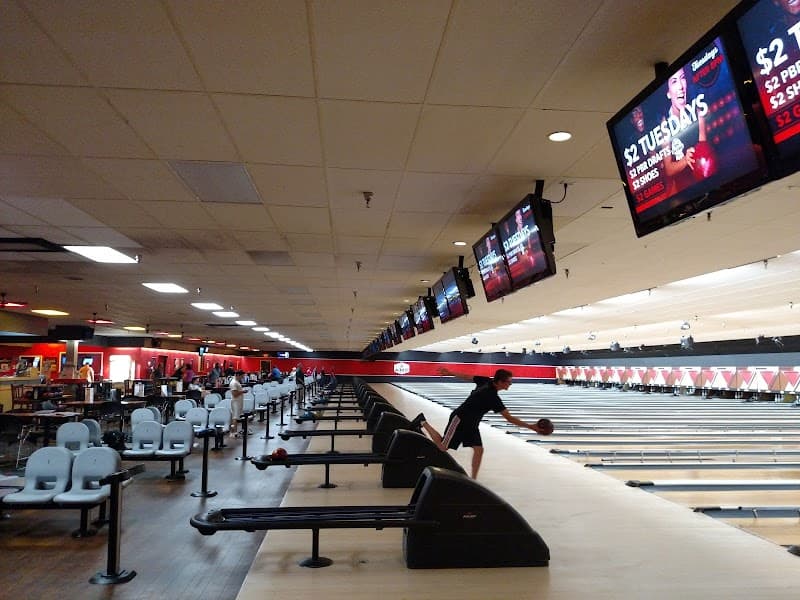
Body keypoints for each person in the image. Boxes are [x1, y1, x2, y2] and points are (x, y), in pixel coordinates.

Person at [413, 369, 553, 479]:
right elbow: (509, 418)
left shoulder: (486, 381)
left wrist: (450, 372)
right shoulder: (493, 397)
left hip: (472, 424)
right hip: (460, 419)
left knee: (479, 450)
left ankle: (473, 479)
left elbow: (468, 376)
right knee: (443, 446)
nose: (510, 384)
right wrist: (531, 427)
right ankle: (422, 421)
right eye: (508, 382)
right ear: (500, 382)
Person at [662, 66, 706, 196]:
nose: (681, 86)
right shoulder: (665, 124)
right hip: (682, 192)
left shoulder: (698, 111)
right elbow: (668, 169)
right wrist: (685, 160)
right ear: (669, 93)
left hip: (702, 183)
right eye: (674, 81)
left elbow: (704, 148)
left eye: (682, 78)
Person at [229, 370, 245, 436]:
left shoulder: (237, 382)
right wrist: (243, 391)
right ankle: (233, 432)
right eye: (242, 376)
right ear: (238, 375)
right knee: (235, 417)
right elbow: (234, 394)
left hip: (238, 401)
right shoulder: (233, 383)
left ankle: (234, 431)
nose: (243, 377)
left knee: (236, 416)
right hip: (236, 402)